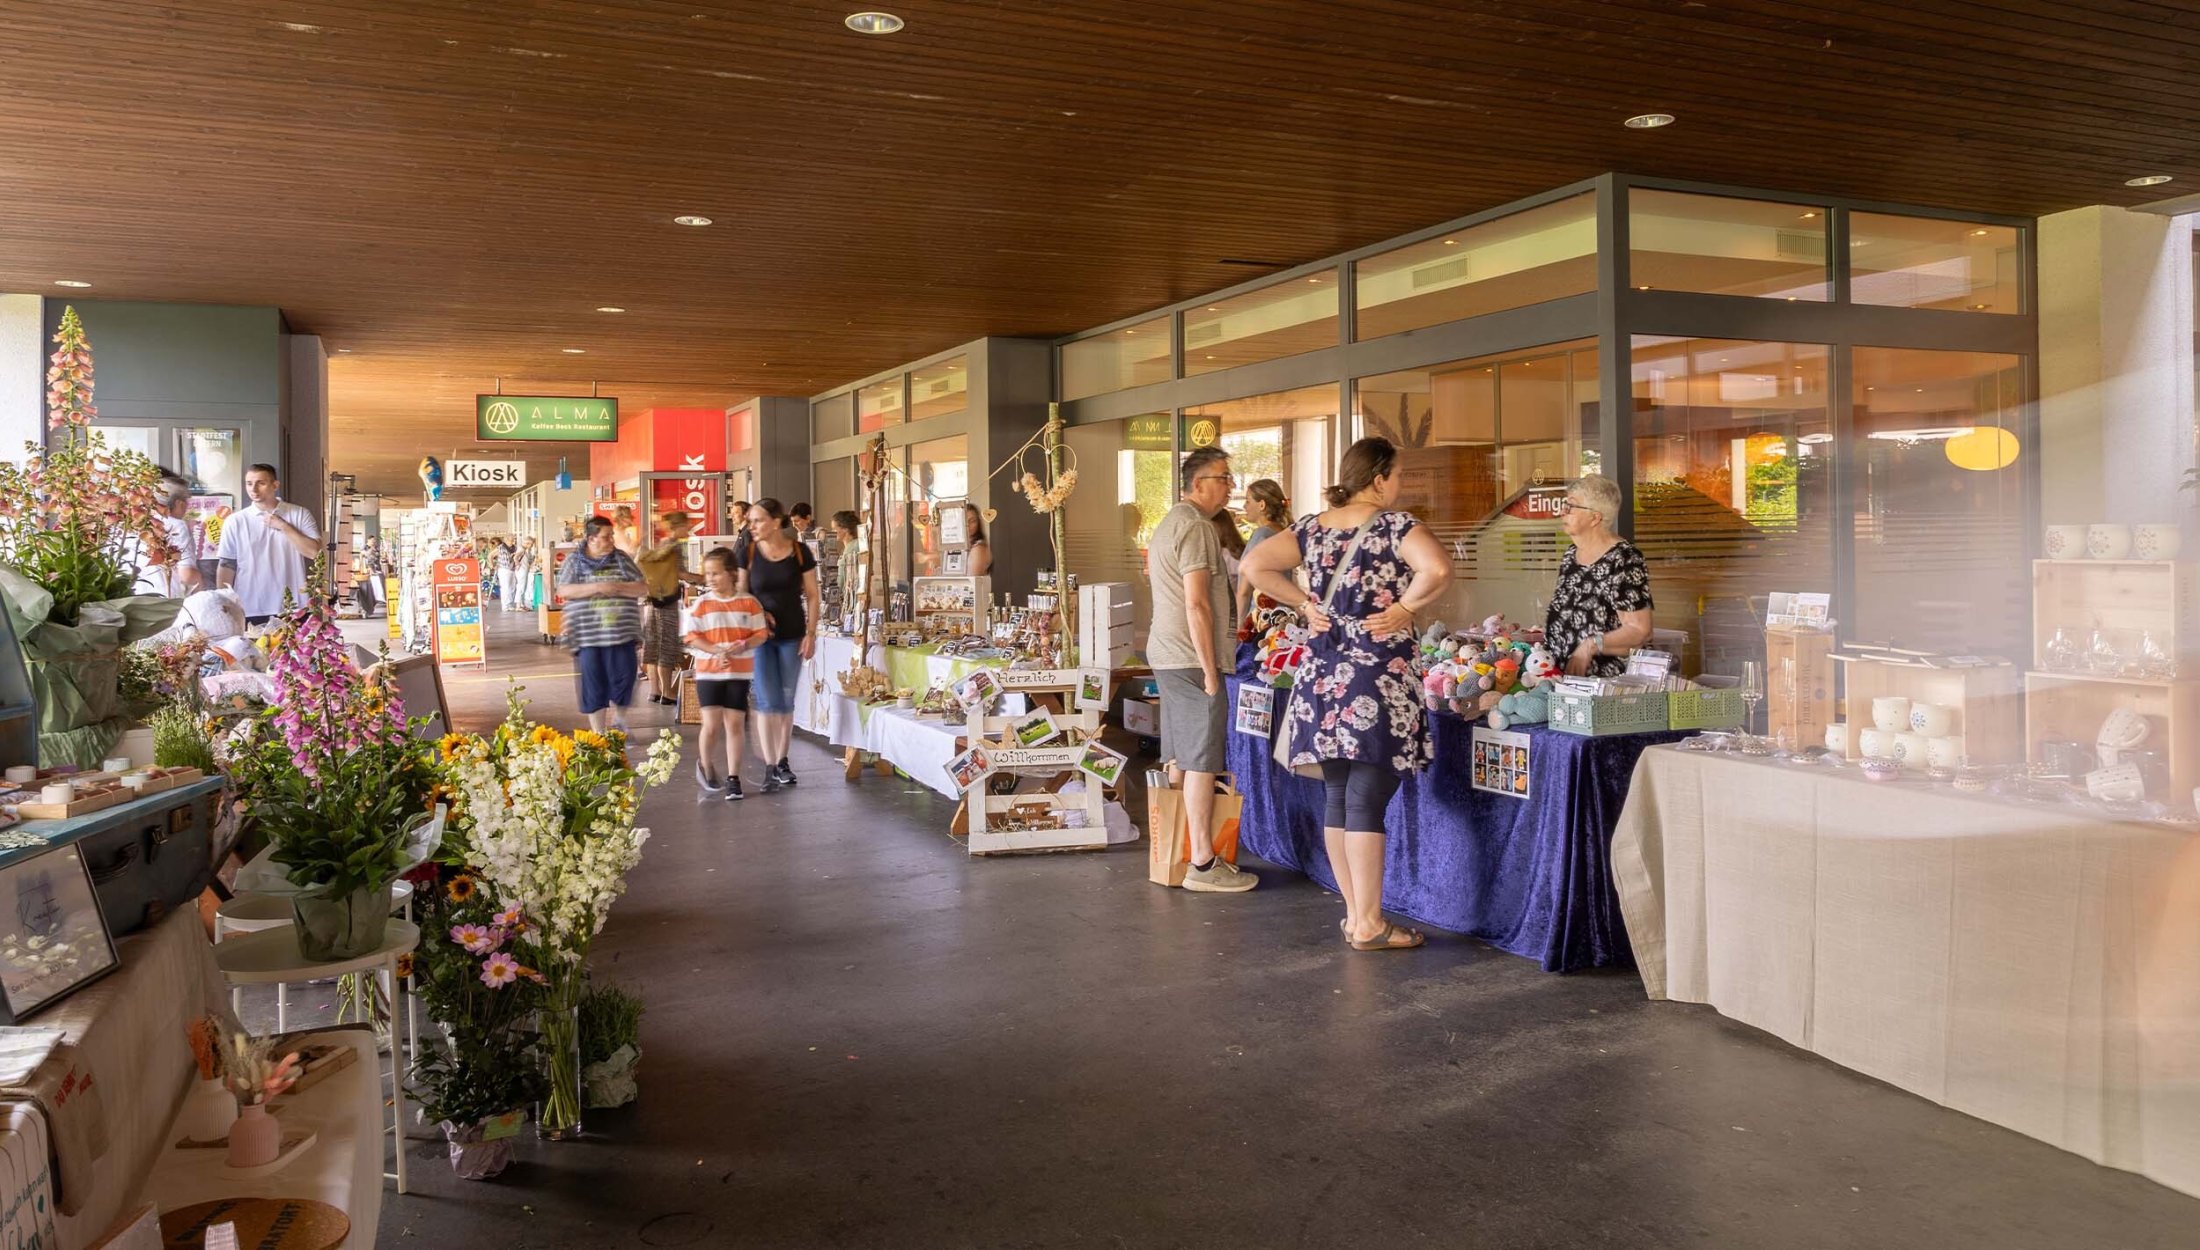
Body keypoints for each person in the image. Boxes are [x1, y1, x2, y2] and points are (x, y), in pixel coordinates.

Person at [1242, 436, 1453, 951]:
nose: (1399, 485)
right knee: (1366, 800)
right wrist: (1404, 608)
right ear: (1379, 479)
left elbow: (1254, 566)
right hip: (1377, 677)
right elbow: (1439, 568)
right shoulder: (1396, 526)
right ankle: (1370, 923)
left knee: (1339, 795)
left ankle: (1357, 916)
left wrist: (1304, 603)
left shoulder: (1312, 527)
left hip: (1321, 674)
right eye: (1397, 475)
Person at [1144, 446, 1255, 894]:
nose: (1230, 486)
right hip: (1191, 658)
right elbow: (1197, 604)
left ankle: (1174, 855)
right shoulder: (1197, 527)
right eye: (1223, 477)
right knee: (1202, 762)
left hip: (1169, 655)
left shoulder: (1171, 522)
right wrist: (1211, 670)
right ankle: (1203, 864)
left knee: (1179, 761)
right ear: (1198, 483)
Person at [734, 498, 820, 794]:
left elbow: (812, 595)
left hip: (793, 635)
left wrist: (811, 633)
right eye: (750, 521)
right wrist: (757, 612)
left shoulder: (799, 552)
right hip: (760, 637)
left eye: (758, 520)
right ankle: (770, 765)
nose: (752, 526)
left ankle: (782, 760)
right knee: (767, 701)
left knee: (785, 700)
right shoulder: (748, 553)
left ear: (775, 521)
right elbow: (741, 596)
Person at [1544, 475, 1655, 677]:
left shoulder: (1624, 558)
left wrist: (1590, 646)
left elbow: (1640, 630)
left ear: (1595, 518)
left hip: (1606, 684)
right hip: (1566, 680)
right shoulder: (1571, 555)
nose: (1562, 512)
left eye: (1571, 506)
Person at [683, 547, 770, 801]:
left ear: (732, 573)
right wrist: (716, 651)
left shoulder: (749, 603)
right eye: (707, 573)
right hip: (709, 673)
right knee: (711, 725)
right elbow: (692, 637)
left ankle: (734, 778)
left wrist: (743, 645)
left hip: (739, 673)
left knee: (734, 725)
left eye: (716, 573)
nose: (710, 578)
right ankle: (706, 765)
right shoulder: (701, 604)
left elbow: (761, 634)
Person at [557, 515, 648, 736]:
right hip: (588, 636)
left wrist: (616, 587)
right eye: (606, 537)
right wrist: (598, 587)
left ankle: (620, 721)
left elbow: (642, 588)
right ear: (591, 539)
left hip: (621, 634)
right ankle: (599, 733)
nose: (611, 541)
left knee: (625, 678)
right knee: (593, 684)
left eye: (611, 536)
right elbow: (564, 590)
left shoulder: (622, 559)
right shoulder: (574, 561)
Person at [216, 463, 321, 625]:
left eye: (261, 483)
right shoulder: (235, 521)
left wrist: (284, 526)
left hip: (293, 607)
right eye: (249, 483)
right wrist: (223, 601)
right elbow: (227, 564)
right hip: (249, 606)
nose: (254, 489)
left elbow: (314, 552)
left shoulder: (299, 514)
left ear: (275, 485)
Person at [638, 512, 699, 705]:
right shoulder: (674, 547)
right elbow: (682, 574)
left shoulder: (661, 545)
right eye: (686, 525)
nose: (689, 528)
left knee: (653, 646)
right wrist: (704, 578)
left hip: (652, 601)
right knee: (667, 646)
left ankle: (654, 691)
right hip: (668, 603)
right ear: (677, 526)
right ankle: (668, 693)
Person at [135, 471, 202, 599]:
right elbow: (187, 575)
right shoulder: (177, 525)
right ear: (179, 504)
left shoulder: (134, 523)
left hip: (132, 596)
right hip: (165, 599)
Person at [1236, 480, 1290, 623]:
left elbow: (1245, 591)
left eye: (1248, 501)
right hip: (1283, 615)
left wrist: (1239, 627)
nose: (1244, 506)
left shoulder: (1262, 535)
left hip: (1260, 618)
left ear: (1261, 505)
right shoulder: (1284, 533)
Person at [829, 509, 862, 621]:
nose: (832, 532)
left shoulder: (852, 548)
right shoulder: (849, 547)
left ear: (845, 529)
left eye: (834, 529)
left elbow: (843, 578)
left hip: (851, 599)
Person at [959, 503, 993, 575]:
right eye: (964, 521)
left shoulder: (979, 548)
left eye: (972, 521)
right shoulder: (961, 546)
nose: (967, 525)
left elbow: (974, 578)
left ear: (978, 523)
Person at [492, 539, 517, 612]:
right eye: (510, 540)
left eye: (513, 540)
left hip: (512, 569)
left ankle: (510, 604)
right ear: (506, 540)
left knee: (512, 587)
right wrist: (493, 566)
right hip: (503, 569)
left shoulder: (514, 548)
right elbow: (490, 555)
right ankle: (505, 606)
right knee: (505, 588)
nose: (512, 542)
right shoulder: (500, 547)